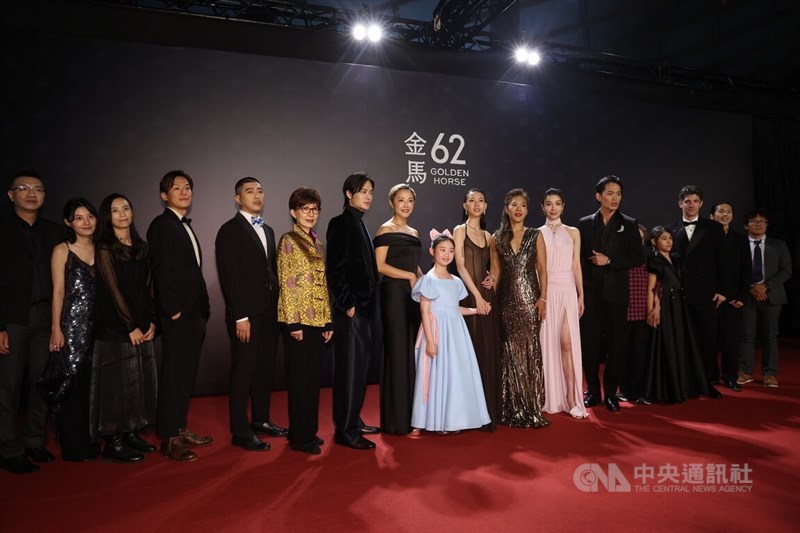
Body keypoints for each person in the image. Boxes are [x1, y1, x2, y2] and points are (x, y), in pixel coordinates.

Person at [215, 177, 286, 453]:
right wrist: (240, 316)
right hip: (246, 316)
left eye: (260, 191)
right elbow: (229, 276)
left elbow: (271, 272)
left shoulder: (268, 229)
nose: (257, 196)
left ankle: (260, 419)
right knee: (243, 372)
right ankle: (240, 430)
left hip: (269, 312)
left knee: (265, 369)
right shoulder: (229, 230)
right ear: (237, 198)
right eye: (250, 191)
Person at [0, 169, 64, 474]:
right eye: (23, 188)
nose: (31, 194)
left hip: (46, 317)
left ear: (44, 196)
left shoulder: (54, 232)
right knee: (8, 387)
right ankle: (9, 449)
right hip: (12, 318)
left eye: (37, 189)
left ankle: (34, 442)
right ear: (10, 195)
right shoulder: (2, 229)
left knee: (41, 383)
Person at [147, 170, 212, 462]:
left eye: (188, 187)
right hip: (178, 315)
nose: (184, 192)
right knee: (174, 375)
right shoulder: (162, 225)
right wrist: (172, 310)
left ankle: (180, 428)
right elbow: (160, 270)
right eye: (177, 188)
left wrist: (201, 309)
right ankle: (169, 438)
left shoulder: (181, 224)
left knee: (186, 374)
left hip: (195, 314)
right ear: (164, 195)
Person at [91, 193, 158, 463]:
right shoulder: (105, 249)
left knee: (137, 382)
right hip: (115, 328)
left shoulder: (142, 247)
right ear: (107, 217)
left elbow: (150, 286)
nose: (122, 214)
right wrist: (130, 325)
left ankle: (131, 432)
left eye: (126, 208)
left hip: (142, 324)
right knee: (116, 386)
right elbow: (113, 290)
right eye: (115, 210)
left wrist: (151, 321)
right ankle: (113, 441)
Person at [410, 232, 491, 434]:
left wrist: (476, 310)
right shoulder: (428, 280)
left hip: (456, 334)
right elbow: (425, 312)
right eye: (442, 250)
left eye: (451, 251)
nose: (447, 254)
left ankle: (453, 420)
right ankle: (430, 421)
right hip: (436, 333)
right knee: (435, 374)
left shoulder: (456, 281)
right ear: (432, 251)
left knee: (455, 375)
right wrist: (430, 341)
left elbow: (454, 309)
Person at [577, 176, 643, 411]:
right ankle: (593, 391)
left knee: (617, 345)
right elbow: (578, 259)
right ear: (599, 196)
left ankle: (611, 394)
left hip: (617, 292)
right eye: (610, 193)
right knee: (590, 344)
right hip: (591, 292)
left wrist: (610, 260)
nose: (615, 198)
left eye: (618, 194)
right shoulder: (584, 224)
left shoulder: (630, 223)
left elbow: (638, 257)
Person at [326, 172, 380, 450]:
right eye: (362, 191)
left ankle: (352, 421)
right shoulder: (340, 223)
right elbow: (335, 270)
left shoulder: (360, 223)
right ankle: (345, 431)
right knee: (349, 371)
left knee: (359, 370)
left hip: (365, 310)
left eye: (370, 191)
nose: (368, 196)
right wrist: (347, 305)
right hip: (352, 311)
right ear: (349, 193)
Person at [277, 188, 333, 455]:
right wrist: (293, 324)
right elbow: (286, 283)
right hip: (298, 322)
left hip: (317, 321)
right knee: (299, 381)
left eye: (314, 209)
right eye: (305, 209)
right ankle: (299, 438)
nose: (310, 214)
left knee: (311, 381)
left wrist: (328, 322)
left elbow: (322, 285)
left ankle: (308, 431)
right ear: (293, 212)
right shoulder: (288, 240)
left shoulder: (317, 243)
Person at [490, 188, 550, 429]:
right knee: (508, 353)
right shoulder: (496, 238)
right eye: (514, 204)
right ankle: (510, 406)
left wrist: (543, 298)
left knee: (528, 351)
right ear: (506, 209)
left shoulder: (536, 235)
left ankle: (529, 406)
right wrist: (489, 299)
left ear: (527, 210)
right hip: (505, 301)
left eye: (523, 205)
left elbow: (542, 269)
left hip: (529, 301)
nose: (518, 209)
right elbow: (496, 272)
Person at [48, 198, 102, 462]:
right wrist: (56, 329)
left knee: (94, 385)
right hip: (71, 327)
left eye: (90, 216)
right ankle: (73, 445)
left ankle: (93, 438)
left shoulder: (103, 249)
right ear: (68, 222)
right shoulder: (62, 250)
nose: (86, 222)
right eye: (78, 217)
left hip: (100, 327)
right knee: (72, 385)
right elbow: (58, 292)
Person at [644, 227, 723, 403]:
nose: (669, 241)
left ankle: (687, 386)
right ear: (654, 242)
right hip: (665, 305)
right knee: (667, 343)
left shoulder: (676, 259)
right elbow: (651, 288)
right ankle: (669, 389)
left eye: (670, 238)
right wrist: (651, 311)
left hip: (679, 305)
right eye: (664, 238)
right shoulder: (654, 260)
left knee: (682, 342)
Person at [373, 183, 422, 435]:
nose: (406, 205)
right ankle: (396, 419)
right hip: (393, 293)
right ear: (391, 202)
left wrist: (426, 281)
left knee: (410, 350)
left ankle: (412, 414)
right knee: (397, 349)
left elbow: (415, 267)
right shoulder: (385, 229)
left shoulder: (414, 232)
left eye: (410, 200)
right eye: (401, 200)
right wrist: (409, 276)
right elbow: (379, 266)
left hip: (412, 295)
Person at [666, 186, 726, 384]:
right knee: (682, 337)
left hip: (706, 292)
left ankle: (708, 378)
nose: (691, 205)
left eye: (695, 201)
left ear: (701, 204)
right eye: (687, 201)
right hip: (679, 292)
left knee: (707, 337)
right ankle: (686, 378)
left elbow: (723, 261)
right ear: (680, 204)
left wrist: (722, 291)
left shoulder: (714, 228)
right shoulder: (670, 229)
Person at [537, 188, 588, 419]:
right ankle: (550, 395)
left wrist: (581, 295)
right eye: (549, 203)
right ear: (542, 207)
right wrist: (541, 296)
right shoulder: (536, 234)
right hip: (547, 291)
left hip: (567, 290)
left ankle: (570, 396)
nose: (553, 208)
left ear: (563, 206)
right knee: (547, 344)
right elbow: (537, 268)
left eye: (557, 203)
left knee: (567, 343)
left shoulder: (574, 232)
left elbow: (576, 265)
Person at [453, 188, 500, 430]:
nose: (476, 204)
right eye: (471, 200)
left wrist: (493, 278)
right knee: (469, 351)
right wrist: (477, 296)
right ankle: (467, 413)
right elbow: (461, 266)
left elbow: (493, 266)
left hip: (486, 297)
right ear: (465, 205)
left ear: (486, 206)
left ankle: (487, 411)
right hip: (469, 296)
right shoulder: (459, 231)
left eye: (481, 200)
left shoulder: (489, 236)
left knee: (487, 349)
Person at [738, 209, 792, 388]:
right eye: (754, 221)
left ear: (767, 225)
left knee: (770, 336)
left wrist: (765, 286)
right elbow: (734, 270)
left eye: (762, 221)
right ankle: (745, 372)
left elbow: (786, 271)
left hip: (771, 296)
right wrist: (751, 288)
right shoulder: (739, 244)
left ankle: (770, 374)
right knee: (746, 336)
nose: (758, 224)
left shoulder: (778, 245)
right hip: (747, 296)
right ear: (746, 225)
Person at [709, 202, 751, 391]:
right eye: (721, 211)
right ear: (712, 216)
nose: (725, 214)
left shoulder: (740, 239)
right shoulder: (704, 237)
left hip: (733, 299)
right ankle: (710, 376)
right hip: (710, 298)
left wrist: (742, 296)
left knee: (731, 340)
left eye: (729, 211)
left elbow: (746, 270)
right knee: (709, 339)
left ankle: (730, 376)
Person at [624, 224, 653, 404]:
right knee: (622, 353)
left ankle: (640, 391)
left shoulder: (649, 260)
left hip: (643, 312)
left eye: (640, 238)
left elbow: (656, 286)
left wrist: (653, 309)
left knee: (641, 353)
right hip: (622, 311)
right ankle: (624, 390)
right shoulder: (620, 258)